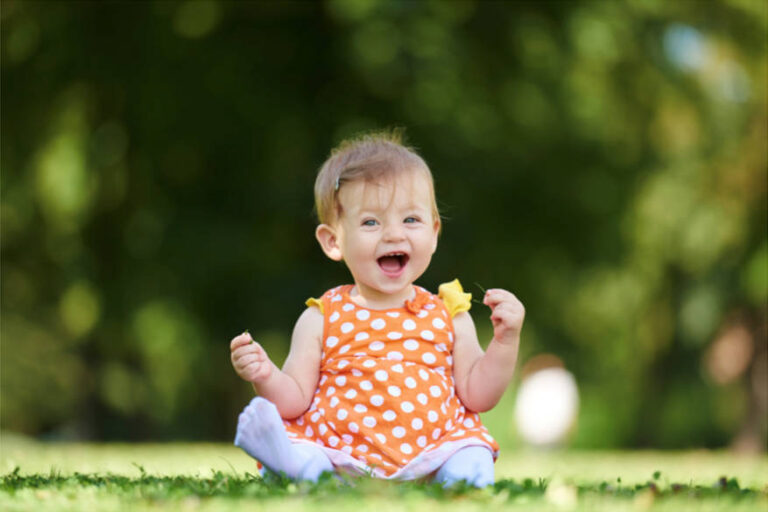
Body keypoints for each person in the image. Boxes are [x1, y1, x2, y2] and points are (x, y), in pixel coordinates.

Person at [230, 130, 525, 487]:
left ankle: (463, 481)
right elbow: (295, 400)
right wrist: (265, 375)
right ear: (333, 241)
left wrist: (505, 341)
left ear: (434, 233)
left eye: (411, 220)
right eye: (371, 222)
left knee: (471, 452)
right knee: (307, 451)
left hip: (434, 452)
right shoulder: (322, 317)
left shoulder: (449, 315)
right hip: (339, 453)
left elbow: (479, 394)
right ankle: (298, 464)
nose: (394, 234)